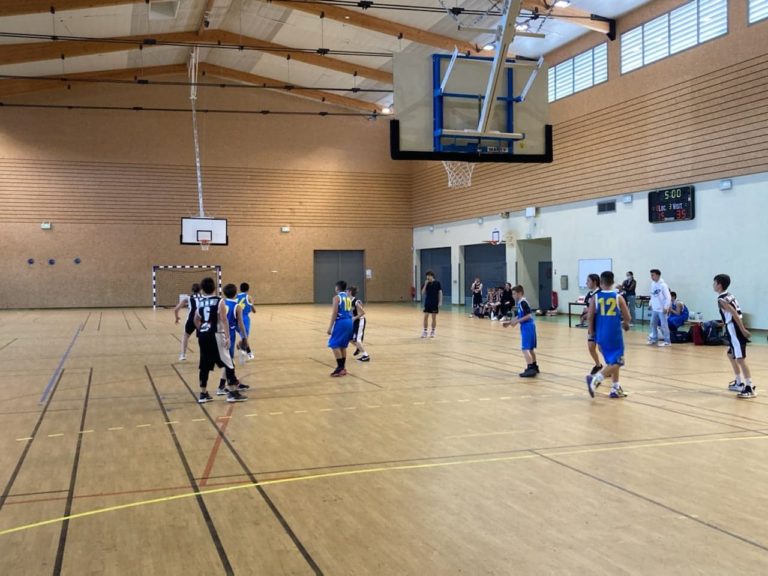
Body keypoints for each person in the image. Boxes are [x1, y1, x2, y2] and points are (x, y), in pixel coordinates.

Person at [194, 277, 247, 404]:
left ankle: (203, 394)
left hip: (203, 335)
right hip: (216, 334)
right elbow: (223, 320)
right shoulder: (219, 301)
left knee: (204, 365)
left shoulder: (200, 302)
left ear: (202, 289)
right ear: (214, 288)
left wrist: (202, 329)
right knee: (229, 363)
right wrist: (227, 337)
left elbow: (196, 320)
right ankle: (232, 392)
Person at [586, 271, 631, 399]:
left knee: (612, 361)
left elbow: (590, 316)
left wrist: (592, 333)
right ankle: (596, 379)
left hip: (600, 335)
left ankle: (615, 388)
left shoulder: (595, 297)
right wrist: (625, 323)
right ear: (613, 282)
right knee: (618, 362)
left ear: (600, 282)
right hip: (614, 335)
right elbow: (628, 317)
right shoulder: (618, 297)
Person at [714, 274, 754, 398]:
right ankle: (738, 382)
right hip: (731, 326)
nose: (713, 285)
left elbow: (734, 313)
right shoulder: (729, 295)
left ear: (719, 284)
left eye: (714, 283)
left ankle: (749, 387)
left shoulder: (721, 299)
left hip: (734, 328)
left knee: (740, 358)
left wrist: (742, 329)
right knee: (730, 354)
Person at [216, 284, 250, 396]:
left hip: (219, 333)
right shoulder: (237, 306)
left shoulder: (221, 303)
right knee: (229, 362)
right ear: (236, 293)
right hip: (229, 335)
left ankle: (232, 382)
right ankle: (224, 387)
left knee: (229, 361)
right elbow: (241, 324)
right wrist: (244, 337)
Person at [501, 285, 539, 377]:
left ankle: (530, 369)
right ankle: (534, 366)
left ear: (520, 293)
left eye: (514, 294)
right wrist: (510, 322)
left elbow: (528, 316)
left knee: (525, 349)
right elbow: (520, 316)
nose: (513, 295)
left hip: (527, 326)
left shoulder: (522, 303)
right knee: (530, 349)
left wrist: (517, 321)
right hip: (530, 326)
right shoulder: (521, 303)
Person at [327, 280, 354, 377]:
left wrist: (330, 327)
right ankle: (343, 368)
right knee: (342, 346)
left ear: (337, 288)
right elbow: (351, 311)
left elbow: (335, 313)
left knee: (333, 344)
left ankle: (339, 368)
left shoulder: (337, 298)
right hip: (349, 321)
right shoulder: (348, 297)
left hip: (341, 322)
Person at [173, 282, 201, 361]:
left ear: (192, 290)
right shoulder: (204, 298)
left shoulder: (188, 298)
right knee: (203, 337)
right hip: (201, 320)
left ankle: (182, 355)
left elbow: (176, 309)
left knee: (185, 336)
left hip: (191, 319)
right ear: (200, 290)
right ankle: (206, 355)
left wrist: (177, 317)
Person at [582, 274, 603, 375]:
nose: (586, 283)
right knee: (591, 347)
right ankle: (598, 365)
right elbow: (588, 308)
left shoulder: (600, 294)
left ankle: (610, 366)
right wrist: (585, 314)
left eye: (588, 281)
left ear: (594, 282)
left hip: (600, 325)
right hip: (592, 324)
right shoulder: (589, 294)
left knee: (601, 348)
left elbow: (596, 309)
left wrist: (590, 311)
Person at [648, 269, 672, 347]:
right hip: (655, 308)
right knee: (653, 323)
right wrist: (650, 303)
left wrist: (666, 307)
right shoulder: (652, 284)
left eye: (653, 275)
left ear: (658, 275)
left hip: (662, 309)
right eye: (651, 275)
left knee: (664, 325)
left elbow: (668, 297)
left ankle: (667, 341)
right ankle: (654, 339)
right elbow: (652, 295)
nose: (651, 277)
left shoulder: (663, 285)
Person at [236, 282, 255, 362]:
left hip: (236, 318)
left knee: (244, 337)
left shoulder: (236, 296)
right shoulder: (249, 297)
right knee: (245, 337)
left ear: (240, 289)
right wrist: (252, 304)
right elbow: (254, 310)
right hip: (244, 318)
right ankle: (249, 353)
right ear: (248, 289)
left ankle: (243, 348)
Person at [349, 285, 370, 362]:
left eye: (347, 291)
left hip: (360, 321)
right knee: (350, 338)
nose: (345, 292)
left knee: (357, 340)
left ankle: (366, 355)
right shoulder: (349, 301)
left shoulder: (356, 301)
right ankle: (358, 348)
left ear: (350, 292)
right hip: (355, 321)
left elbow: (363, 312)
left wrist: (354, 318)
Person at [421, 270, 442, 338]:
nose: (428, 277)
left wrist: (440, 301)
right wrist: (425, 284)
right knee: (426, 316)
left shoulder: (437, 283)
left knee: (433, 317)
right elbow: (422, 293)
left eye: (429, 276)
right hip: (427, 302)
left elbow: (440, 293)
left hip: (434, 302)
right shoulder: (426, 283)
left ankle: (433, 331)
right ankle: (425, 331)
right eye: (427, 276)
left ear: (432, 276)